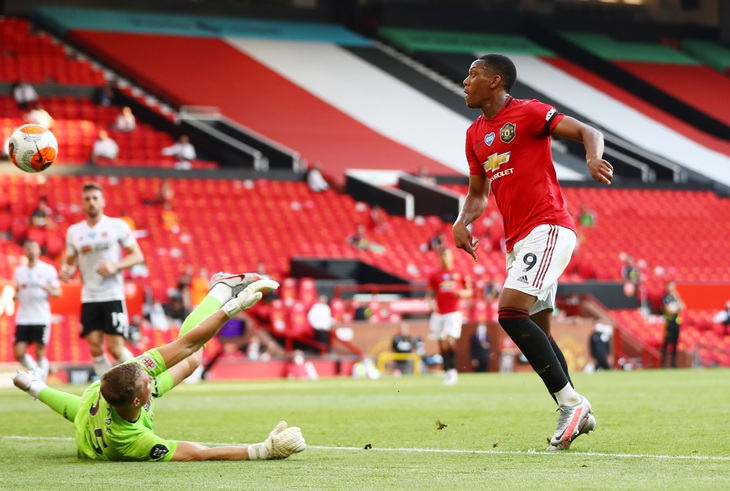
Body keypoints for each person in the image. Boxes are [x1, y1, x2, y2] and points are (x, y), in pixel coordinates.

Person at [453, 54, 613, 450]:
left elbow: (589, 131)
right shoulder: (475, 135)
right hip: (519, 240)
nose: (465, 80)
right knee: (537, 331)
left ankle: (570, 404)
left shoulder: (529, 113)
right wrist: (462, 221)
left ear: (495, 81)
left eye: (473, 74)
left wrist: (593, 158)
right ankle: (578, 410)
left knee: (509, 312)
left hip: (549, 228)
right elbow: (478, 195)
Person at [12, 275, 306, 461]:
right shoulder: (132, 442)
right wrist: (262, 451)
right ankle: (220, 287)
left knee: (191, 357)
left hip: (96, 412)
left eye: (146, 372)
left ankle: (222, 286)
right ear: (139, 399)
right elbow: (199, 454)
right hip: (101, 432)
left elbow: (188, 344)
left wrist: (231, 306)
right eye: (148, 381)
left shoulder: (119, 379)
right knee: (191, 357)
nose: (151, 376)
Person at [59, 182, 145, 377]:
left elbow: (137, 256)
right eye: (87, 199)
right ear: (82, 203)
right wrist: (67, 271)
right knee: (96, 349)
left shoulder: (117, 226)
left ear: (103, 201)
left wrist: (115, 266)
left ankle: (144, 378)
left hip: (112, 295)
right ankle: (107, 390)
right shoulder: (74, 232)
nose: (91, 203)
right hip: (89, 296)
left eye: (95, 198)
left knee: (115, 349)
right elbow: (70, 262)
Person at [13, 240, 61, 380]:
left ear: (39, 251)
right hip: (23, 317)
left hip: (40, 317)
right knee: (18, 352)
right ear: (24, 251)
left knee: (40, 351)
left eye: (34, 247)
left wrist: (48, 289)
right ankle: (36, 371)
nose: (31, 250)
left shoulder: (47, 270)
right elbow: (17, 291)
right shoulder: (19, 271)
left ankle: (41, 381)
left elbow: (58, 292)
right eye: (28, 247)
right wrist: (15, 296)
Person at [425, 247, 473, 386]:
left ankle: (452, 371)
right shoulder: (435, 275)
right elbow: (429, 295)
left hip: (454, 312)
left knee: (448, 338)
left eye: (447, 255)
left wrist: (461, 293)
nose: (445, 258)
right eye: (442, 256)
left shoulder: (459, 272)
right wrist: (430, 303)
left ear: (451, 257)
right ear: (439, 258)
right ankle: (447, 370)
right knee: (440, 340)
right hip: (439, 312)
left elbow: (469, 291)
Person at [660, 280, 684, 368]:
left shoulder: (675, 297)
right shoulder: (666, 298)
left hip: (676, 322)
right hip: (669, 322)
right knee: (666, 343)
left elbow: (683, 307)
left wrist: (677, 298)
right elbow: (667, 309)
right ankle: (663, 363)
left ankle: (674, 364)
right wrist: (676, 310)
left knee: (675, 343)